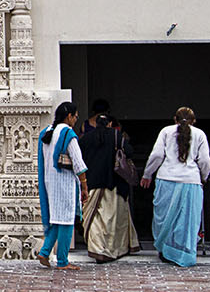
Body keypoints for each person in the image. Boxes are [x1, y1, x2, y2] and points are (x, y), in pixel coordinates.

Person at [140, 106, 210, 267]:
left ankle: (165, 250)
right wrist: (204, 176)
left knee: (165, 218)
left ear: (175, 119)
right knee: (186, 221)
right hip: (191, 182)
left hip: (167, 179)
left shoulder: (166, 131)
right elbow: (205, 161)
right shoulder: (200, 134)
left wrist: (147, 174)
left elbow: (157, 155)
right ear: (194, 121)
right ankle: (183, 252)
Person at [79, 106, 139, 262]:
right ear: (110, 124)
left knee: (94, 219)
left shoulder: (86, 138)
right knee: (113, 219)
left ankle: (97, 249)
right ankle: (114, 249)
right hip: (114, 184)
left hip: (92, 183)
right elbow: (130, 152)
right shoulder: (116, 136)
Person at [36, 101, 88, 269]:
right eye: (75, 116)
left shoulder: (47, 132)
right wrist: (84, 185)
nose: (76, 119)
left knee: (57, 219)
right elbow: (78, 163)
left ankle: (44, 252)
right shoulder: (68, 134)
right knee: (66, 220)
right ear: (69, 116)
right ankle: (63, 260)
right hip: (64, 182)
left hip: (49, 181)